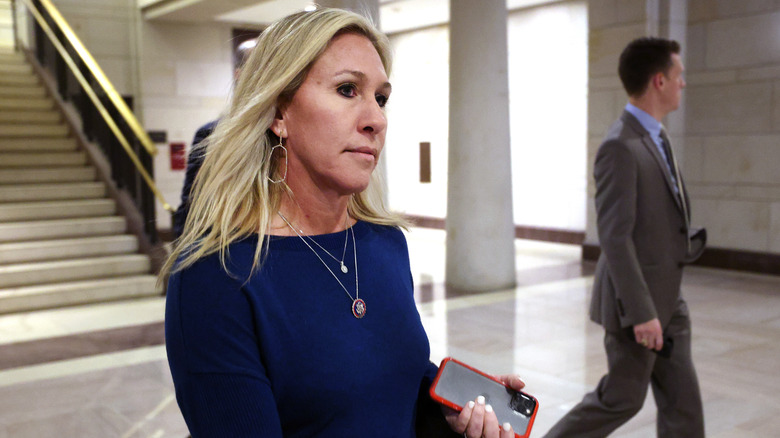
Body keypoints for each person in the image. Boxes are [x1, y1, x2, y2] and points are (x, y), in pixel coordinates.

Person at [162, 8, 524, 437]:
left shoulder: (384, 242)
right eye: (348, 89)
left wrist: (451, 418)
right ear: (280, 112)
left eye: (381, 98)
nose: (377, 119)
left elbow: (392, 387)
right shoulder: (215, 275)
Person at [544, 37, 705, 437]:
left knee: (684, 405)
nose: (683, 83)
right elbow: (615, 237)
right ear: (659, 82)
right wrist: (642, 312)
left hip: (670, 299)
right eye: (678, 76)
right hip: (638, 307)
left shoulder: (657, 137)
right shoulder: (620, 145)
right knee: (622, 398)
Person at [171, 38, 257, 239]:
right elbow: (192, 205)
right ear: (239, 75)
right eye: (257, 66)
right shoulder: (211, 135)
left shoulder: (287, 129)